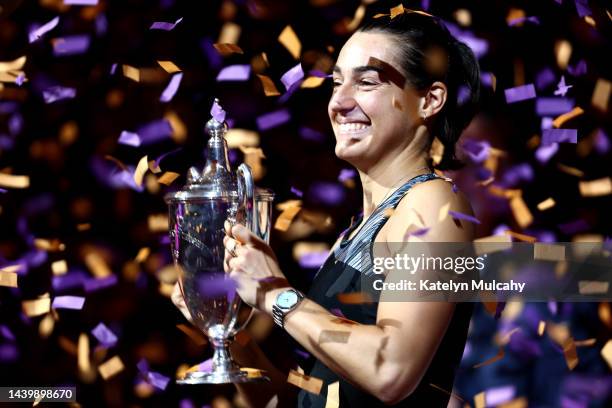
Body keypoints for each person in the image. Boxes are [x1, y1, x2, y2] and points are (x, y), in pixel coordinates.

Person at [172, 8, 481, 407]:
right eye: (336, 82)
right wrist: (228, 330)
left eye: (366, 82)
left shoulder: (435, 204)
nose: (339, 102)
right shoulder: (356, 230)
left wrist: (277, 295)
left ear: (429, 100)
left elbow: (391, 372)